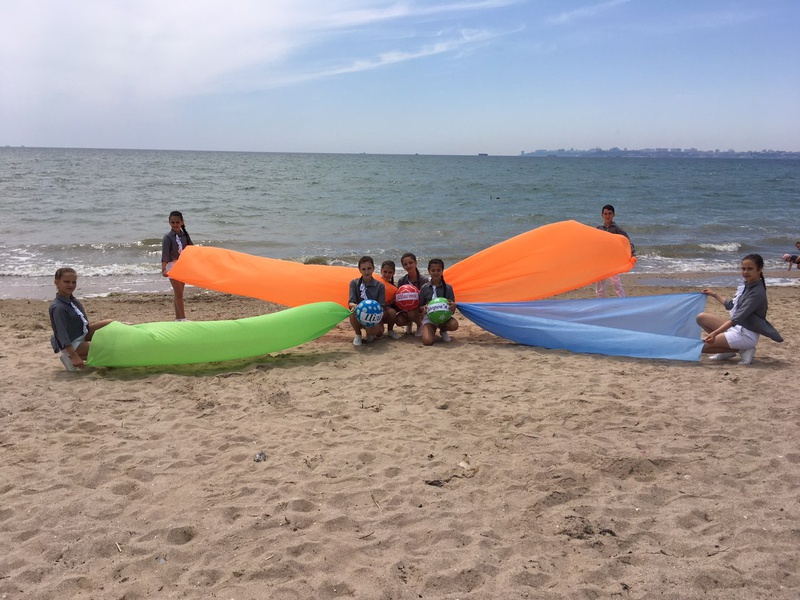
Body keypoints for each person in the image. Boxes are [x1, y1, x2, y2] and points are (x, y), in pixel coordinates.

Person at [696, 253, 783, 365]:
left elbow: (736, 319)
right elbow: (731, 305)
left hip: (746, 335)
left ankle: (742, 350)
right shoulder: (747, 286)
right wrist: (713, 294)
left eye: (750, 269)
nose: (745, 272)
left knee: (701, 347)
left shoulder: (757, 292)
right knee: (701, 318)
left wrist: (714, 334)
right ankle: (728, 351)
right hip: (738, 328)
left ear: (759, 269)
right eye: (743, 268)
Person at [49, 268, 113, 371]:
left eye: (73, 282)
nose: (71, 285)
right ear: (57, 283)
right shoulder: (58, 307)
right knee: (106, 349)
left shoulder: (73, 301)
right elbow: (62, 334)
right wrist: (73, 355)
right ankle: (69, 358)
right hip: (71, 343)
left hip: (80, 334)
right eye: (67, 282)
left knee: (111, 324)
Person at [595, 204, 635, 298]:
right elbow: (593, 242)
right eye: (605, 214)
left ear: (613, 215)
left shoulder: (617, 229)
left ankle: (623, 301)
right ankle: (600, 302)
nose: (607, 216)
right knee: (599, 285)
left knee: (616, 283)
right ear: (602, 215)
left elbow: (627, 241)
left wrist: (632, 254)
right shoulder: (599, 228)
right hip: (601, 260)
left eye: (610, 213)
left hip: (613, 260)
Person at [161, 211, 194, 321]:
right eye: (172, 222)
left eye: (177, 222)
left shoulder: (185, 235)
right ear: (169, 222)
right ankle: (183, 318)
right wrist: (164, 269)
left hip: (182, 265)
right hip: (172, 266)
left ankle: (178, 318)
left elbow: (191, 249)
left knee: (179, 294)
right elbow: (165, 254)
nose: (175, 225)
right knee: (179, 294)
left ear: (182, 222)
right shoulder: (167, 237)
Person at [419, 258, 458, 346]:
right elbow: (419, 307)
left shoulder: (448, 288)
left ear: (442, 271)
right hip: (429, 318)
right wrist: (423, 308)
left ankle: (443, 331)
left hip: (444, 318)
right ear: (429, 271)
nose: (436, 273)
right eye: (433, 270)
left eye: (438, 270)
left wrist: (453, 306)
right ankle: (430, 330)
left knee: (454, 325)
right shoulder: (424, 288)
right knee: (427, 341)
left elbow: (452, 310)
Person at [348, 256, 387, 346]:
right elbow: (351, 302)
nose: (366, 272)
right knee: (352, 312)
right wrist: (355, 306)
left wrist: (373, 314)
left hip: (373, 316)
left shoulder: (380, 286)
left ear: (373, 268)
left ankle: (370, 333)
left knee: (378, 332)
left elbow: (381, 306)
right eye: (363, 269)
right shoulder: (354, 283)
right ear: (359, 270)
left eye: (369, 268)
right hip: (359, 314)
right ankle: (358, 334)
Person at [395, 252, 429, 336]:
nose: (408, 266)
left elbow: (427, 298)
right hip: (406, 309)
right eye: (405, 264)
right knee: (399, 321)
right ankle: (409, 323)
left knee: (412, 312)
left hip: (420, 310)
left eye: (410, 263)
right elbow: (399, 299)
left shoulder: (424, 280)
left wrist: (423, 308)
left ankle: (420, 325)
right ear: (403, 266)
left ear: (415, 263)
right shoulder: (401, 281)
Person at [380, 260, 400, 339]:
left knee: (392, 312)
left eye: (390, 272)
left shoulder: (394, 289)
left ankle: (390, 330)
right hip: (375, 311)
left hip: (385, 313)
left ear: (393, 273)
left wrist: (392, 302)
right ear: (381, 271)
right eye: (385, 272)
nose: (387, 274)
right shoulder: (375, 283)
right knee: (379, 333)